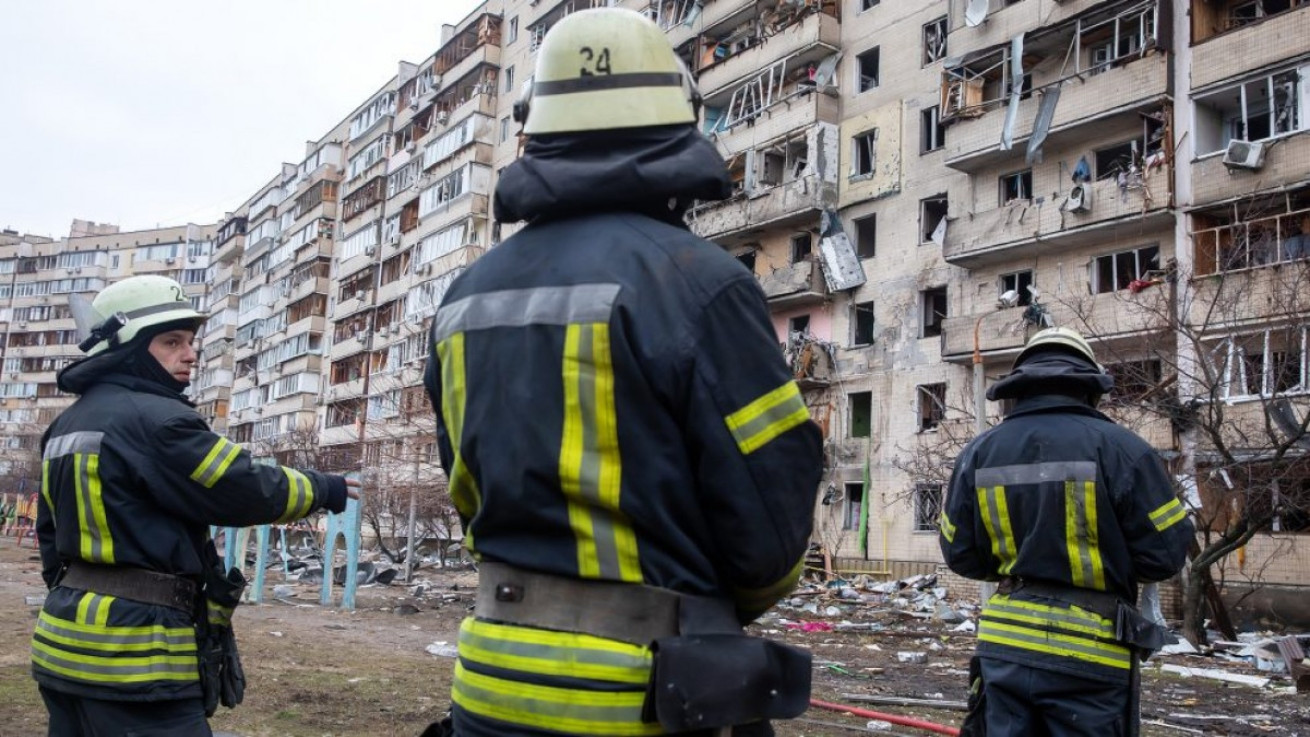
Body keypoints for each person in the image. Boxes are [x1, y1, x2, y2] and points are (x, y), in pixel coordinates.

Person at [422, 8, 823, 736]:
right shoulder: (702, 284)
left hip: (487, 686)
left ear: (536, 129)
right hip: (646, 694)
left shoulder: (464, 298)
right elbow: (769, 527)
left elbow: (465, 489)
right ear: (675, 125)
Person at [34, 275, 359, 737]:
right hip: (135, 662)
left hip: (61, 648)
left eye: (190, 342)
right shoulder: (159, 421)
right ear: (129, 346)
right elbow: (241, 487)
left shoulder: (65, 426)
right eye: (171, 342)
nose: (190, 355)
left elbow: (49, 538)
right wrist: (322, 489)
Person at [939, 327, 1194, 736]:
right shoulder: (1124, 449)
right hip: (1091, 658)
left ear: (1017, 390)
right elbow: (1164, 555)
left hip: (1004, 649)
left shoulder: (978, 453)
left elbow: (960, 554)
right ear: (1091, 390)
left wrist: (1023, 566)